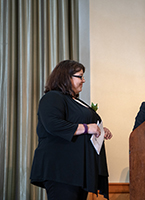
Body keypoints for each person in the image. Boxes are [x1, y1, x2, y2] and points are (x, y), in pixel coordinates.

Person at [30, 60, 113, 200]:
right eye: (80, 76)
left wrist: (99, 130)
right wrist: (87, 128)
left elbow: (76, 121)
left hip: (77, 171)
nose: (83, 80)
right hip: (60, 169)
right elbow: (53, 124)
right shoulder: (52, 97)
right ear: (66, 77)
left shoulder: (75, 100)